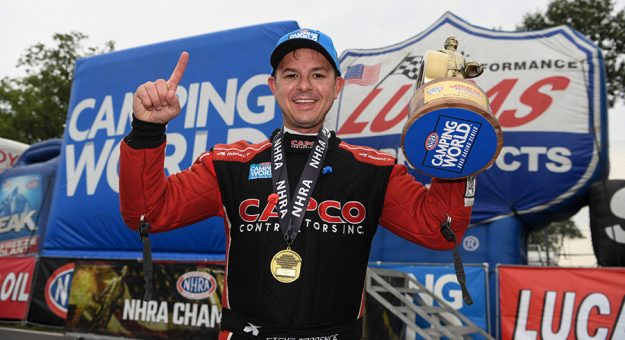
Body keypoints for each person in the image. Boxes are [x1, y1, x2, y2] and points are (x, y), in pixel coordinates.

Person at [119, 28, 473, 339]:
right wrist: (147, 130)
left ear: (337, 87)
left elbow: (440, 229)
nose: (304, 86)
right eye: (291, 75)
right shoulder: (229, 165)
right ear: (274, 86)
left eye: (318, 74)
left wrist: (455, 153)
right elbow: (147, 213)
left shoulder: (373, 169)